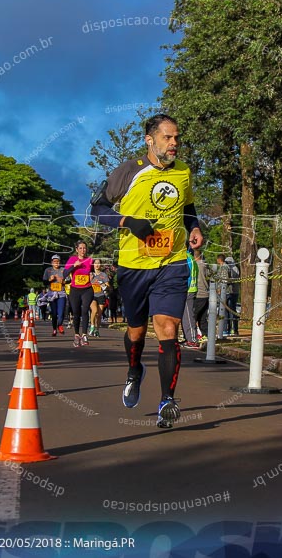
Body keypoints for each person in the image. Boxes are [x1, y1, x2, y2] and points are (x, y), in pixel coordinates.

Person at [90, 113, 204, 428]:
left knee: (168, 328)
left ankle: (167, 400)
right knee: (137, 331)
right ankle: (134, 370)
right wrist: (128, 222)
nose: (174, 144)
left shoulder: (183, 172)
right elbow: (97, 209)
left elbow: (188, 207)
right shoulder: (128, 172)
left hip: (173, 262)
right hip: (133, 265)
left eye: (177, 138)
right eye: (168, 138)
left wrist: (193, 226)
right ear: (149, 140)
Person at [63, 240, 94, 347]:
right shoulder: (72, 259)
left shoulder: (90, 260)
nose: (82, 250)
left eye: (84, 248)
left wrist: (93, 275)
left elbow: (93, 270)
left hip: (87, 289)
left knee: (85, 310)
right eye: (80, 248)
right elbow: (64, 273)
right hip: (75, 290)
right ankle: (77, 335)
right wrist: (74, 266)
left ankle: (84, 335)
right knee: (76, 313)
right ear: (76, 249)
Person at [43, 255, 67, 335]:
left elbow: (69, 281)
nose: (56, 263)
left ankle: (59, 325)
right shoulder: (48, 270)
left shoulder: (63, 270)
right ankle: (54, 329)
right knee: (54, 313)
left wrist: (62, 281)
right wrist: (50, 280)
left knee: (61, 312)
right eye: (54, 262)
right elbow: (44, 282)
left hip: (61, 294)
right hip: (52, 294)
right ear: (51, 262)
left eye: (58, 261)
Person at [180, 250, 200, 349]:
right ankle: (188, 338)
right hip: (191, 288)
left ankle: (192, 340)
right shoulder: (191, 257)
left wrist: (184, 288)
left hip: (188, 290)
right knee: (185, 316)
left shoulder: (186, 257)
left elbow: (187, 275)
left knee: (188, 316)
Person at [89, 258, 110, 337]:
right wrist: (89, 279)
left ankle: (97, 330)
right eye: (95, 263)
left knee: (99, 314)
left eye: (98, 263)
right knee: (94, 311)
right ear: (93, 265)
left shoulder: (103, 275)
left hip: (101, 295)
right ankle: (92, 326)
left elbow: (108, 286)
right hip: (92, 295)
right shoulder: (90, 274)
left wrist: (104, 285)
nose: (97, 265)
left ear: (101, 265)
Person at [192, 249, 210, 342]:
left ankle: (192, 336)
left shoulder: (194, 265)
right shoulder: (206, 266)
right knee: (203, 317)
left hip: (198, 293)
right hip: (206, 293)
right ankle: (206, 335)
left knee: (193, 316)